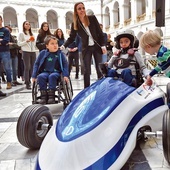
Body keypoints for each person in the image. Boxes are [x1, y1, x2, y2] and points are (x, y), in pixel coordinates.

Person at [61, 2, 106, 88]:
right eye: (79, 9)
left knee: (99, 68)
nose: (82, 10)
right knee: (86, 70)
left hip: (97, 47)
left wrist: (103, 45)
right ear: (76, 11)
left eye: (83, 8)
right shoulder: (75, 24)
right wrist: (64, 46)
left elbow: (100, 33)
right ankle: (86, 89)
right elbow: (71, 37)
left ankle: (102, 87)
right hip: (86, 49)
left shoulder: (92, 18)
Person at [32, 35, 69, 104]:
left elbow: (65, 65)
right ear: (47, 46)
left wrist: (65, 75)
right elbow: (36, 64)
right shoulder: (42, 53)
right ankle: (43, 96)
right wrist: (34, 76)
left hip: (56, 72)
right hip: (45, 72)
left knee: (52, 76)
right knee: (41, 76)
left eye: (56, 43)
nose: (55, 45)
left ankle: (51, 96)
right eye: (52, 44)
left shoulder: (60, 54)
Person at [18, 21, 36, 89]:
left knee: (33, 67)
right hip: (26, 51)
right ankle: (27, 82)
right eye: (26, 24)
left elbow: (34, 43)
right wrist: (27, 41)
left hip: (33, 51)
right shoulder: (21, 34)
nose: (28, 25)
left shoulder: (32, 34)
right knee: (27, 67)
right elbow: (19, 43)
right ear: (24, 25)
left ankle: (32, 80)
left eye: (29, 24)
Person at [0, 15, 12, 89]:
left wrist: (2, 41)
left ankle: (9, 82)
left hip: (5, 51)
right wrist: (1, 41)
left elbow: (6, 41)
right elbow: (3, 41)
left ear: (2, 21)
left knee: (7, 68)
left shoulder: (5, 30)